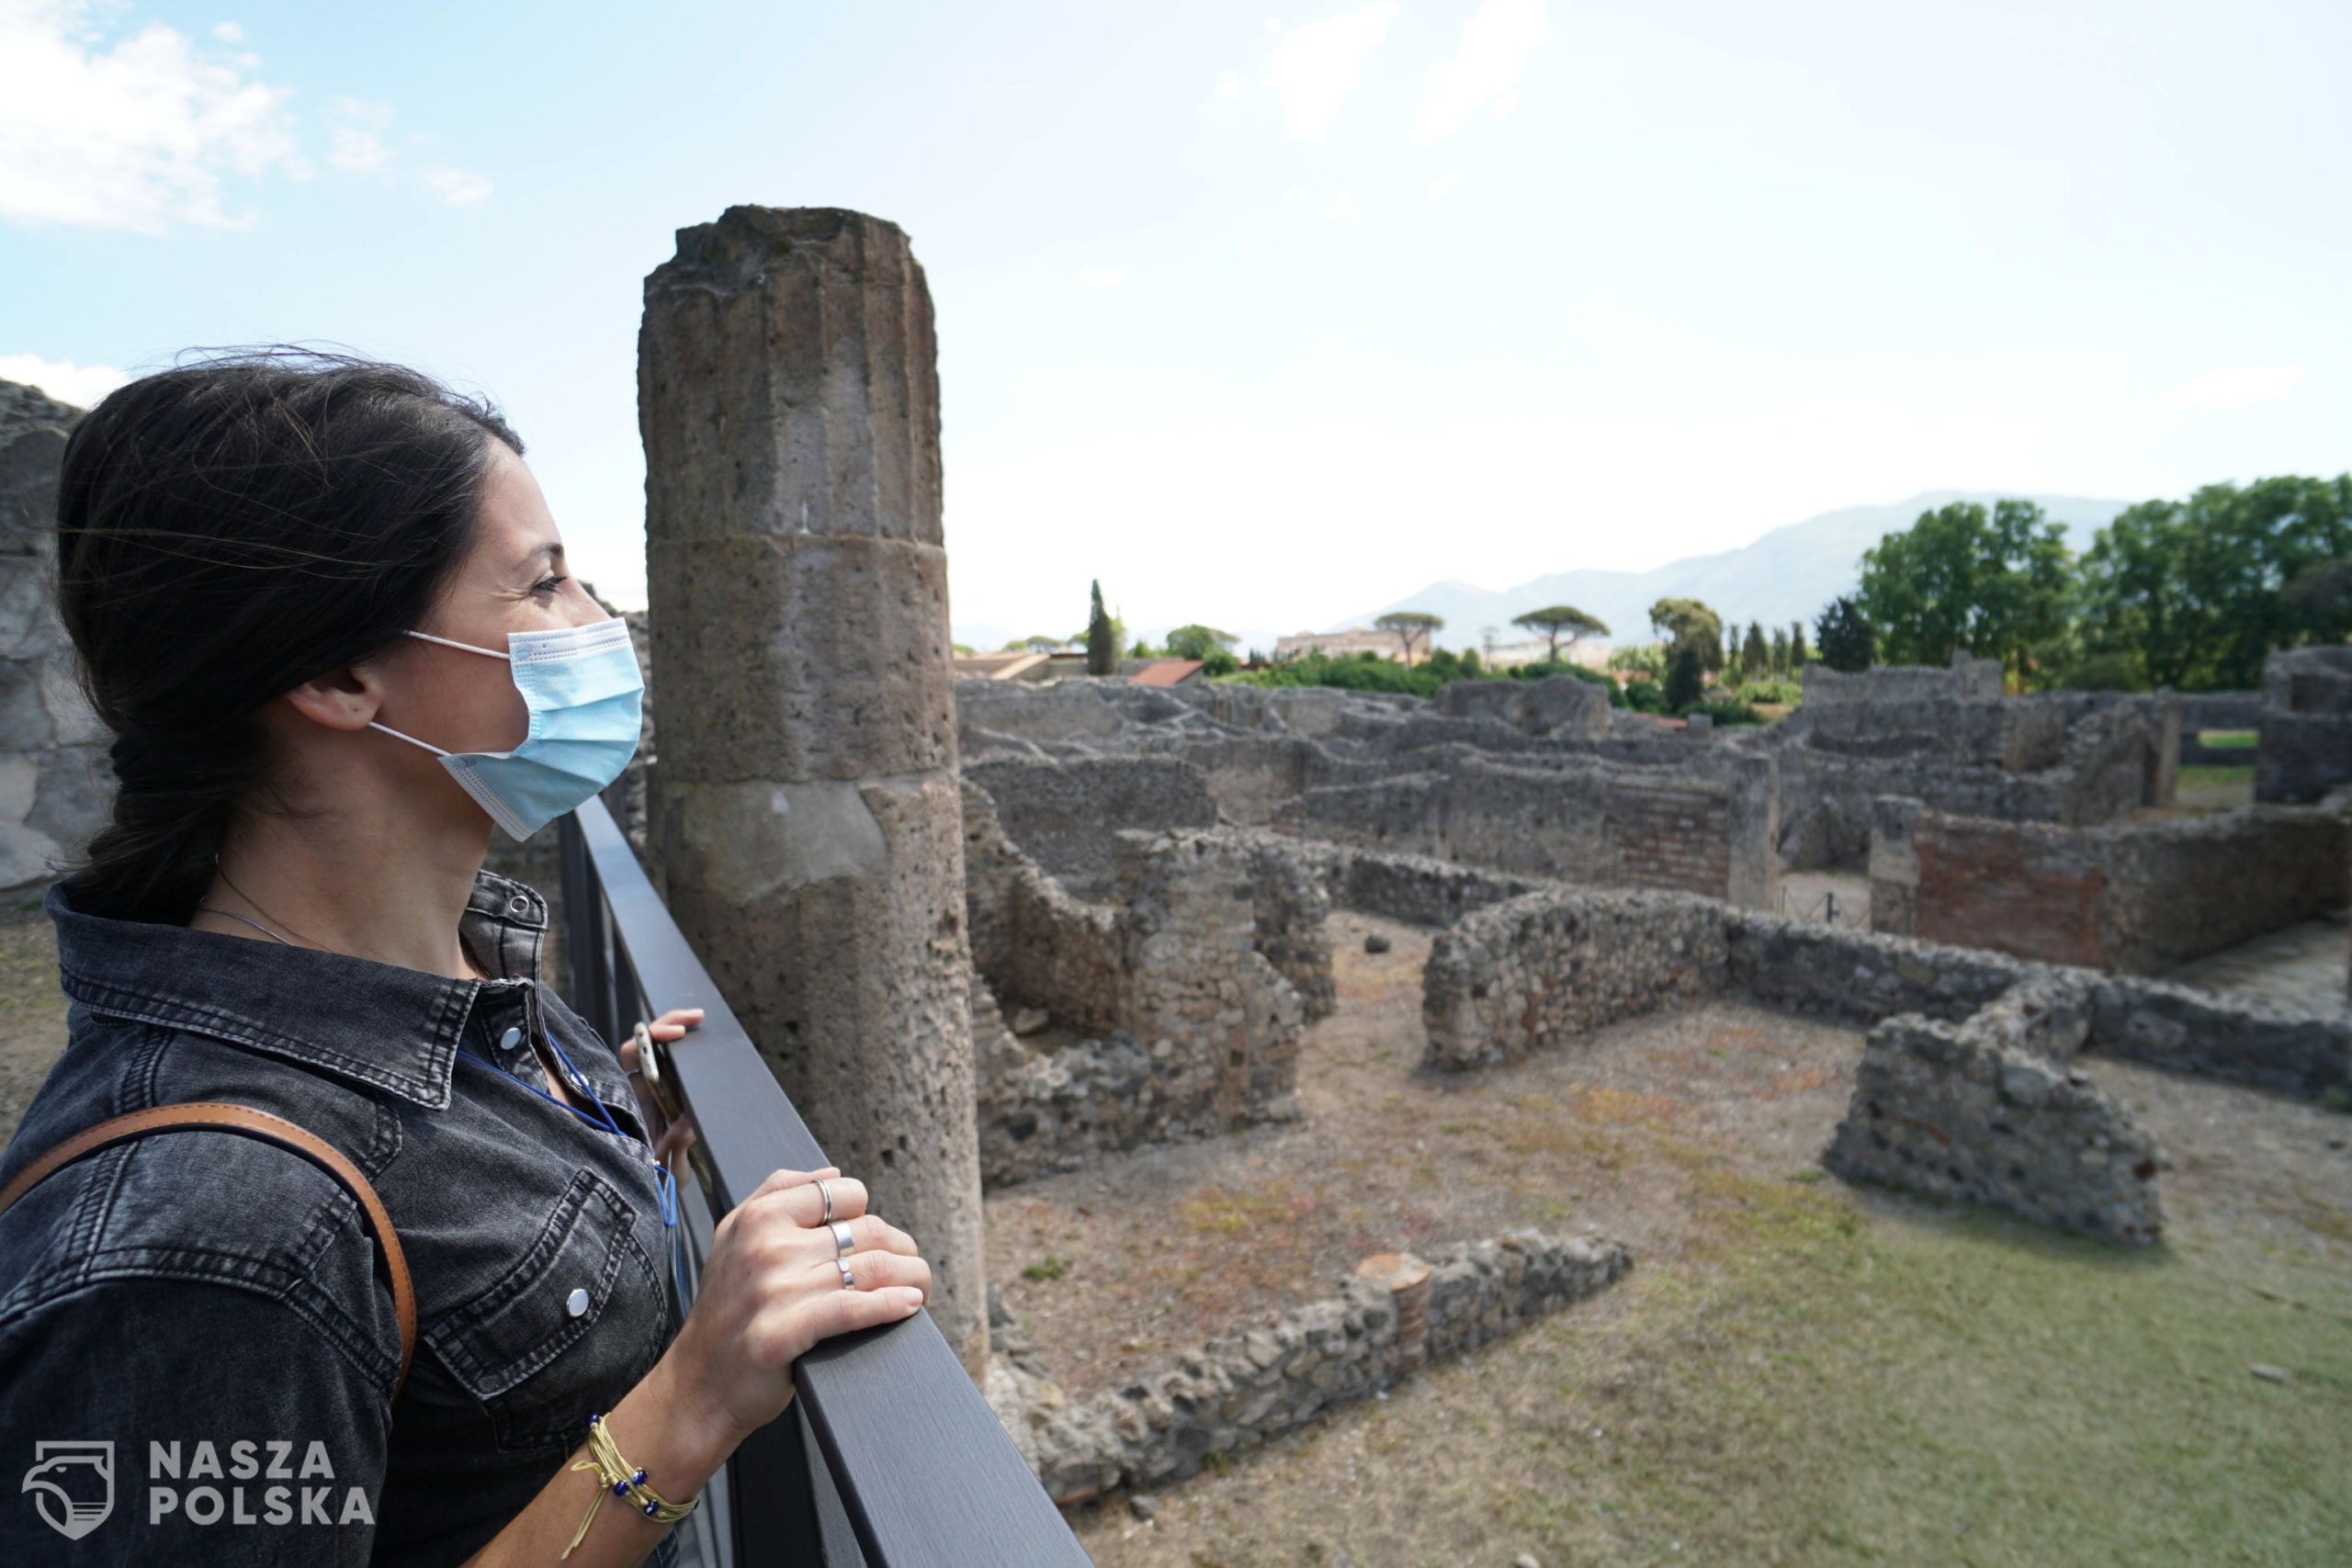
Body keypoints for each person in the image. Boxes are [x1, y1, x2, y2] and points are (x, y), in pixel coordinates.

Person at [0, 353, 931, 1566]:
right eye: (543, 585)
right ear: (338, 676)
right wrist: (692, 1401)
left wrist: (590, 1126)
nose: (599, 621)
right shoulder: (210, 1234)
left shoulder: (452, 968)